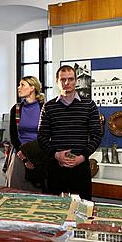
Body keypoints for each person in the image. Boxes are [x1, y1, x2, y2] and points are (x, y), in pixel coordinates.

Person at [38, 65, 102, 200]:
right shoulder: (48, 107)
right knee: (54, 208)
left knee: (82, 209)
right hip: (56, 167)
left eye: (70, 79)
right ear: (57, 82)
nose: (67, 83)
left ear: (76, 81)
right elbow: (42, 137)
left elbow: (96, 135)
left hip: (80, 166)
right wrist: (56, 155)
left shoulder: (89, 105)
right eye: (63, 80)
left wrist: (82, 157)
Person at [6, 76, 47, 191]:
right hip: (20, 154)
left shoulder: (43, 108)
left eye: (22, 85)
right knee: (16, 190)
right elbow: (13, 136)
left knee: (38, 192)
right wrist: (24, 158)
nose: (19, 88)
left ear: (32, 88)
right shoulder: (16, 109)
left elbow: (47, 134)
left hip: (39, 156)